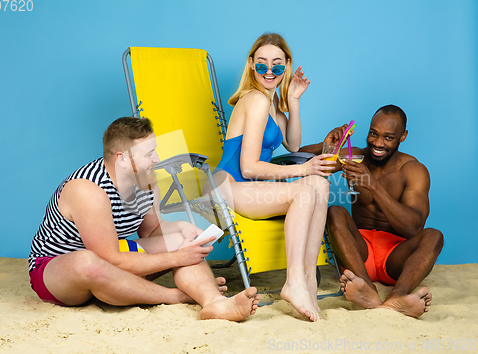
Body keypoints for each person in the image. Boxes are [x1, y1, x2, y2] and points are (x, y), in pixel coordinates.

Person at [28, 116, 260, 321]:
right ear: (121, 159)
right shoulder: (88, 190)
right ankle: (178, 296)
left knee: (182, 239)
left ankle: (213, 303)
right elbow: (111, 260)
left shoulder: (146, 181)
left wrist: (181, 228)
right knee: (87, 262)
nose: (157, 159)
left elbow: (150, 232)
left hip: (112, 259)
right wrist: (176, 258)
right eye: (149, 154)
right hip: (57, 269)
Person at [209, 33, 336, 321]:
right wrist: (303, 169)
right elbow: (250, 167)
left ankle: (307, 280)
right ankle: (293, 281)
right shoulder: (254, 99)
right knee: (305, 188)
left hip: (253, 189)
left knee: (319, 183)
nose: (269, 71)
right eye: (263, 64)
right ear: (251, 65)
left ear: (287, 66)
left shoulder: (273, 105)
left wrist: (292, 99)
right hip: (228, 186)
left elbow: (292, 144)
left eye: (277, 66)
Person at [300, 104, 444, 318]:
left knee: (434, 236)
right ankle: (367, 288)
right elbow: (301, 158)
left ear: (402, 136)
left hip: (395, 256)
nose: (378, 143)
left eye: (388, 137)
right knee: (335, 211)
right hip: (359, 253)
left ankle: (398, 296)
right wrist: (328, 144)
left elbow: (413, 227)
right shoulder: (355, 157)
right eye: (373, 134)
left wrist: (373, 185)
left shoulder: (414, 170)